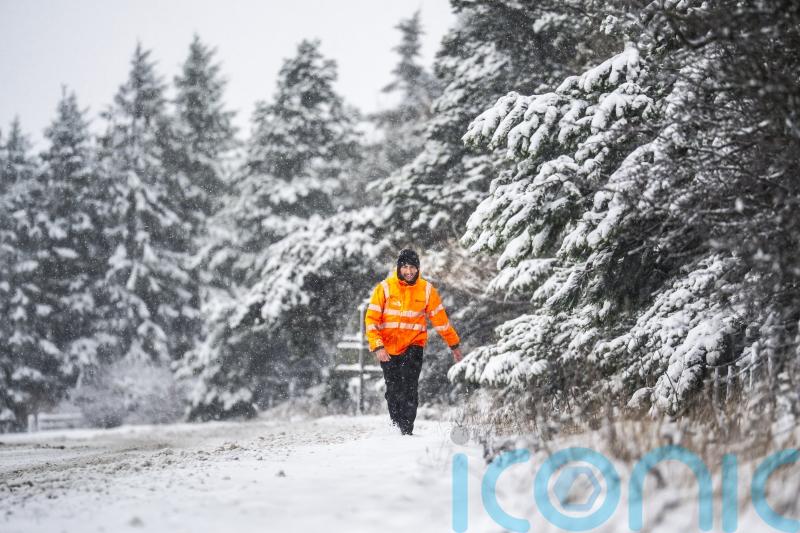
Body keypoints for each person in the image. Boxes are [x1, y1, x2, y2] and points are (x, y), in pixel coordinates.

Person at [364, 249, 463, 435]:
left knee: (409, 387)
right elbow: (371, 319)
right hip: (388, 348)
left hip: (413, 346)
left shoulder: (426, 290)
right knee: (393, 390)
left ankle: (406, 430)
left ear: (418, 269)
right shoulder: (385, 288)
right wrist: (377, 346)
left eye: (412, 268)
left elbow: (441, 321)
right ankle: (396, 427)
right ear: (399, 268)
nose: (409, 271)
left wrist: (454, 344)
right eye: (405, 267)